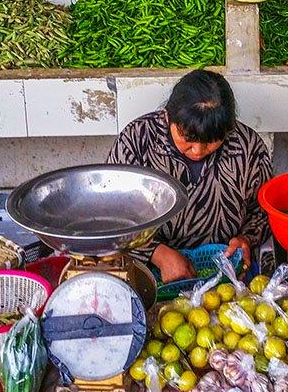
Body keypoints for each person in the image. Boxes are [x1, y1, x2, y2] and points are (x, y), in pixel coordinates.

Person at [108, 70, 272, 282]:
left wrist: (246, 239)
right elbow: (110, 216)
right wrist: (156, 254)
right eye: (188, 138)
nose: (198, 150)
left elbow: (263, 210)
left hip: (225, 275)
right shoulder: (138, 140)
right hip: (145, 273)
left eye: (212, 140)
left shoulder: (246, 146)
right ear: (169, 117)